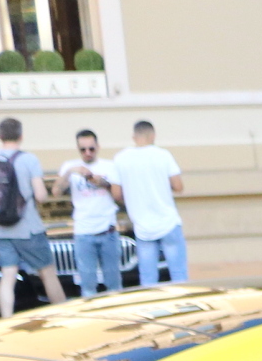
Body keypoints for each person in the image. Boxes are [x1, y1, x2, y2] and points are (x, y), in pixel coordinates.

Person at [0, 118, 62, 318]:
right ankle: (63, 316)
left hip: (1, 229)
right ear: (21, 135)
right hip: (28, 229)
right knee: (47, 273)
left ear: (0, 136)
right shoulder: (29, 160)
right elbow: (41, 196)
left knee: (8, 275)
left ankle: (6, 319)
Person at [113, 120, 187, 283]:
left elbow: (116, 194)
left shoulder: (121, 159)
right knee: (179, 276)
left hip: (142, 227)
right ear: (153, 135)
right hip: (168, 222)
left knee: (148, 280)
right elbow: (178, 186)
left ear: (134, 137)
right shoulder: (163, 155)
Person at [56, 128, 124, 297]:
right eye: (83, 149)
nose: (87, 153)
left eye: (91, 149)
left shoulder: (109, 166)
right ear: (78, 149)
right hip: (83, 232)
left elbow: (119, 196)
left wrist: (102, 182)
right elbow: (56, 191)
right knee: (87, 287)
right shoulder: (69, 167)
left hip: (108, 231)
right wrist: (71, 171)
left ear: (98, 147)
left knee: (114, 285)